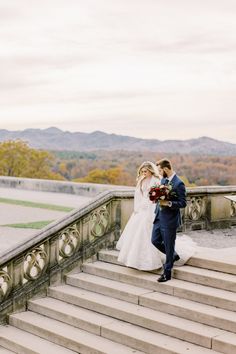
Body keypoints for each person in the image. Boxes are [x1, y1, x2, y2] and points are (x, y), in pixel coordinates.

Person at [116, 161, 164, 270]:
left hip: (150, 209)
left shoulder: (156, 181)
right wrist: (136, 209)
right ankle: (135, 260)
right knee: (136, 233)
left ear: (151, 171)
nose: (143, 173)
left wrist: (152, 210)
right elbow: (138, 195)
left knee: (146, 232)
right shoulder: (141, 180)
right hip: (141, 210)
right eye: (142, 171)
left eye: (145, 171)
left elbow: (157, 198)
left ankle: (151, 260)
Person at [151, 158, 187, 282]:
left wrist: (169, 203)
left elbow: (183, 203)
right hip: (159, 218)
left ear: (166, 169)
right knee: (154, 240)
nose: (159, 173)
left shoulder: (179, 183)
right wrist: (155, 198)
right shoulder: (163, 180)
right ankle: (173, 255)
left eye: (160, 170)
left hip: (170, 220)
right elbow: (159, 197)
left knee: (169, 245)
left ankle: (167, 273)